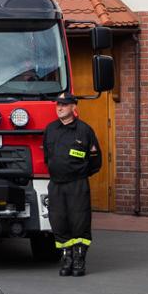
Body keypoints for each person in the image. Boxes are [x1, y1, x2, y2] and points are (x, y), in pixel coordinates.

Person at [40, 91, 103, 276]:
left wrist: (79, 174)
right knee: (58, 222)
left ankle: (79, 261)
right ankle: (67, 259)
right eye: (58, 105)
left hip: (77, 185)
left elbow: (95, 161)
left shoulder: (84, 130)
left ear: (74, 107)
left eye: (64, 105)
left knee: (79, 222)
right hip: (56, 185)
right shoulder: (51, 129)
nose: (59, 108)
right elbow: (47, 157)